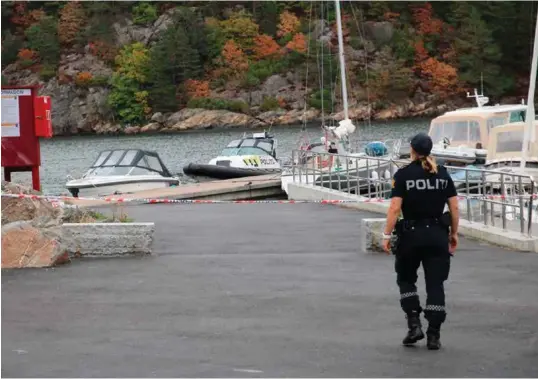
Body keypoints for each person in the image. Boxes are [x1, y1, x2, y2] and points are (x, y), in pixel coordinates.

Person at [382, 132, 459, 350]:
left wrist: (386, 235)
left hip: (411, 236)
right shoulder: (442, 174)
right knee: (436, 283)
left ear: (412, 150)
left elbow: (395, 208)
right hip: (437, 235)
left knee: (406, 279)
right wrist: (453, 234)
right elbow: (454, 207)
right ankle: (434, 334)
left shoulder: (404, 175)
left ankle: (414, 324)